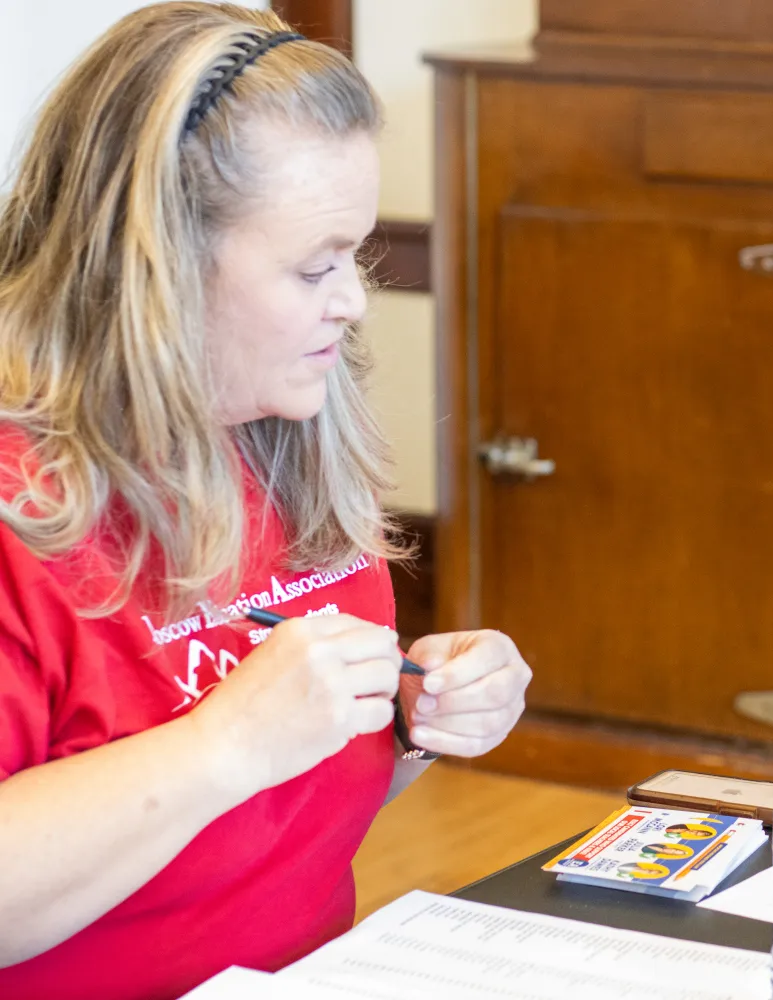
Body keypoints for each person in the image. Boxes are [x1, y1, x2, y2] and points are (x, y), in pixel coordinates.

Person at [0, 5, 530, 997]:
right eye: (314, 266)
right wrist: (227, 742)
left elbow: (283, 815)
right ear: (153, 267)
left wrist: (413, 716)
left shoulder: (287, 436)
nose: (354, 299)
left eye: (359, 255)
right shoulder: (20, 510)